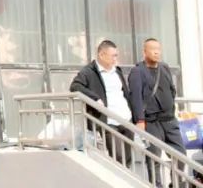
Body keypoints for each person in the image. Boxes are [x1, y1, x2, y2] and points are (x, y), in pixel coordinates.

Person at [69, 40, 135, 167]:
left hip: (126, 118)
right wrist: (95, 98)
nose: (115, 59)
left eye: (116, 55)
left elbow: (125, 93)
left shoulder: (117, 71)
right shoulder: (89, 72)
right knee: (118, 158)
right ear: (102, 55)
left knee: (127, 159)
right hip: (109, 121)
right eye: (113, 56)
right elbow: (75, 86)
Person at [128, 38, 185, 186]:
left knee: (180, 154)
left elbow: (172, 89)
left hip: (169, 120)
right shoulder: (137, 71)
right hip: (151, 121)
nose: (156, 52)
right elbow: (135, 97)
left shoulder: (164, 67)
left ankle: (176, 184)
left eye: (158, 49)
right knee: (154, 157)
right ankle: (156, 185)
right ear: (144, 52)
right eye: (153, 49)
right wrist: (140, 120)